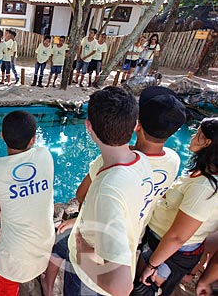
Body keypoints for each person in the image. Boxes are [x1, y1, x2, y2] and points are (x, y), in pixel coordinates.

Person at [42, 86, 187, 295]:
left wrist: (83, 253)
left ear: (88, 126)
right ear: (135, 124)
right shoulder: (143, 161)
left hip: (89, 280)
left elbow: (121, 287)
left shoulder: (108, 189)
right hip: (113, 249)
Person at [135, 117, 218, 296]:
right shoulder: (203, 174)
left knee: (143, 287)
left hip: (168, 251)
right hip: (160, 242)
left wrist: (152, 265)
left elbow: (177, 237)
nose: (193, 136)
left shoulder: (204, 188)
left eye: (198, 134)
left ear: (208, 142)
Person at [0, 110, 55, 296]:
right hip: (44, 248)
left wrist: (4, 228)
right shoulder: (45, 156)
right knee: (2, 235)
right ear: (33, 140)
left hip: (13, 260)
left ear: (2, 136)